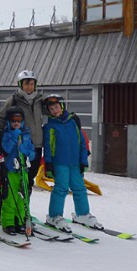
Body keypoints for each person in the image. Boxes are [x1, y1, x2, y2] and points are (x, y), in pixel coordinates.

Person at [42, 94, 102, 232]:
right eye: (51, 109)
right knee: (61, 189)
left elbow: (81, 142)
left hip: (75, 163)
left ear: (62, 106)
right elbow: (48, 147)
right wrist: (49, 164)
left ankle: (82, 214)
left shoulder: (73, 122)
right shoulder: (49, 127)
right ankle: (54, 216)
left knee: (80, 188)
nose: (54, 110)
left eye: (56, 107)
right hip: (60, 163)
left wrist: (83, 160)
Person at [0, 70, 44, 194]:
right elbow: (1, 117)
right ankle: (13, 208)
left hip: (36, 145)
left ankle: (24, 209)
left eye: (31, 84)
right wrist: (3, 135)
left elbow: (52, 111)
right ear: (20, 85)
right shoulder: (13, 100)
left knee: (30, 177)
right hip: (19, 144)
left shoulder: (40, 100)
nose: (29, 87)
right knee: (18, 176)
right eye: (26, 84)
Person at [0, 107, 35, 235]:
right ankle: (8, 222)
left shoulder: (26, 135)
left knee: (23, 196)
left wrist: (28, 153)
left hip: (23, 170)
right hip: (10, 170)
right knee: (10, 197)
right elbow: (6, 149)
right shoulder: (6, 134)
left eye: (18, 120)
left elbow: (32, 152)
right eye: (13, 120)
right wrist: (14, 137)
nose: (16, 123)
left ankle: (20, 220)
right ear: (9, 122)